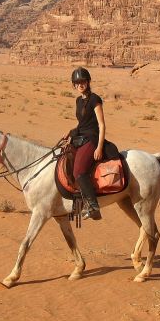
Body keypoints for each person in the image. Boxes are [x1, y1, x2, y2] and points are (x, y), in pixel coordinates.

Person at [63, 67, 105, 220]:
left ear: (88, 82)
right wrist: (71, 131)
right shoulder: (78, 100)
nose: (80, 84)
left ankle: (93, 206)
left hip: (92, 138)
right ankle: (75, 199)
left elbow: (101, 124)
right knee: (64, 158)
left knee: (79, 171)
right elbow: (83, 123)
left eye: (83, 81)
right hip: (81, 135)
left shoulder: (95, 99)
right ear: (74, 85)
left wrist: (99, 146)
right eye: (77, 82)